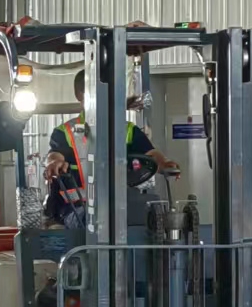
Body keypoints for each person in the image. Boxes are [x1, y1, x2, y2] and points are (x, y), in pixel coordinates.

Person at [43, 71, 178, 227]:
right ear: (80, 95)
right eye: (96, 92)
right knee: (95, 220)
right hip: (75, 210)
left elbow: (151, 154)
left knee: (151, 215)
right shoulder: (65, 132)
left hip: (120, 207)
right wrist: (54, 163)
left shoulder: (127, 130)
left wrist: (164, 163)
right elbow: (55, 155)